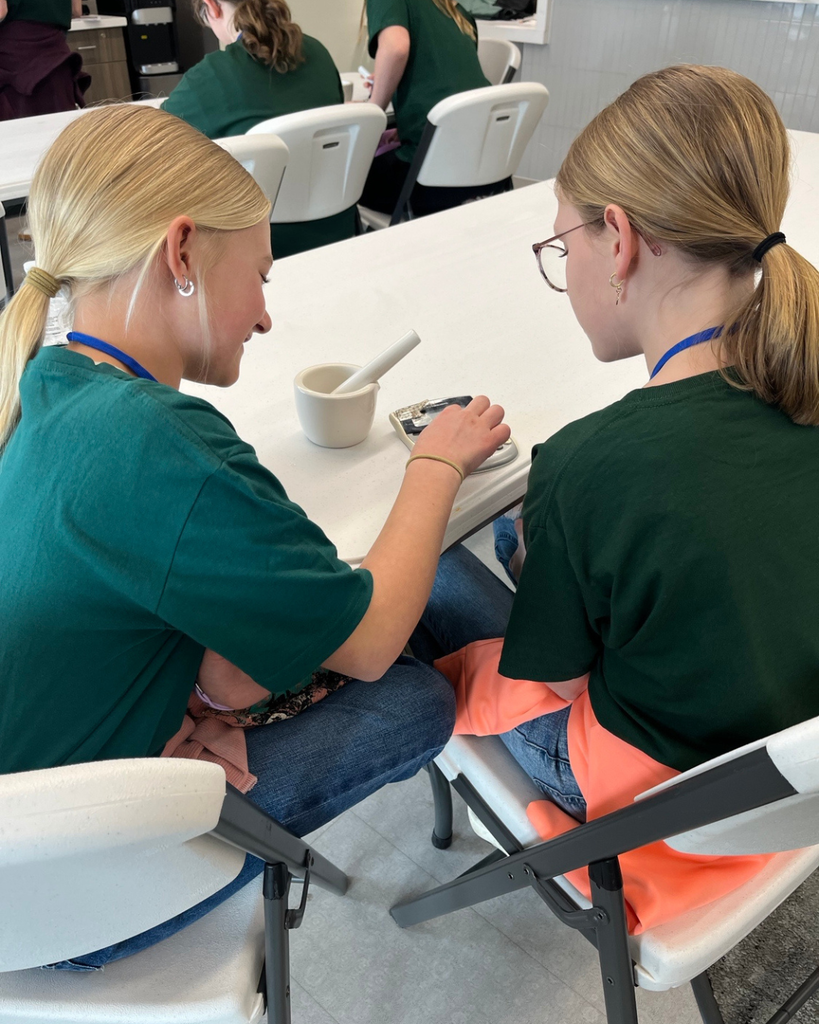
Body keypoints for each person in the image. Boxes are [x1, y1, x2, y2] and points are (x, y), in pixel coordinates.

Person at [0, 103, 510, 968]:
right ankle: (566, 746)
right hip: (67, 900)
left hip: (34, 834)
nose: (265, 317)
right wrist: (436, 463)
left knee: (391, 600)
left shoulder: (46, 382)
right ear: (182, 252)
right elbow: (369, 643)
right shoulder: (157, 442)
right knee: (413, 694)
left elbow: (219, 667)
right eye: (261, 277)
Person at [410, 64, 819, 932]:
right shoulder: (798, 382)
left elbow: (557, 682)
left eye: (563, 247)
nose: (566, 270)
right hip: (783, 762)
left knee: (438, 566)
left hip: (650, 793)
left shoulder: (592, 461)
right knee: (530, 533)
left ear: (621, 240)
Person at [162, 0, 351, 258]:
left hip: (257, 254)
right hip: (340, 237)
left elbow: (149, 144)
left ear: (212, 6)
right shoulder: (319, 54)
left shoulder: (210, 77)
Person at [358, 0, 510, 218]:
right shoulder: (457, 12)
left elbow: (396, 48)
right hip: (488, 173)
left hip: (434, 180)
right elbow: (448, 84)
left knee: (348, 179)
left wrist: (373, 112)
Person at [0, 0, 89, 119]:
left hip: (17, 53)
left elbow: (0, 12)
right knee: (58, 122)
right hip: (56, 51)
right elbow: (76, 10)